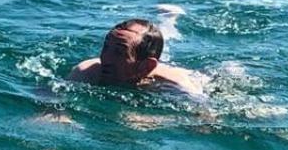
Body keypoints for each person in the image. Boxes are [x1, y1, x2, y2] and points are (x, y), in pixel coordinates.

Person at [68, 17, 207, 98]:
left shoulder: (175, 86)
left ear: (146, 66)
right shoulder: (87, 71)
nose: (106, 58)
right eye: (106, 47)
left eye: (119, 52)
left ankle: (171, 17)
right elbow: (54, 100)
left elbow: (206, 119)